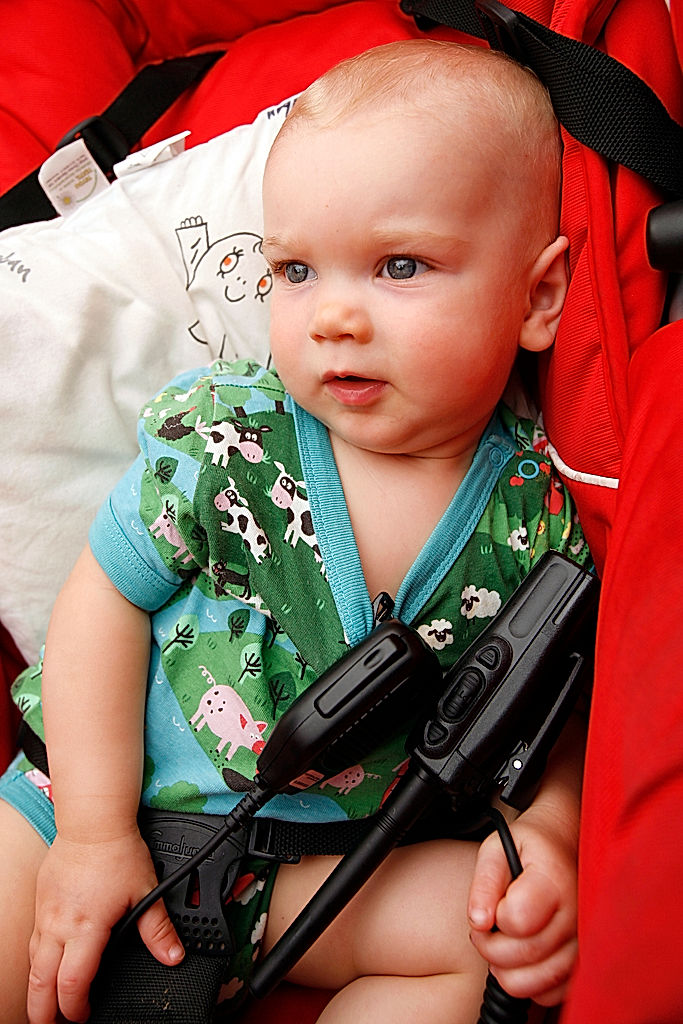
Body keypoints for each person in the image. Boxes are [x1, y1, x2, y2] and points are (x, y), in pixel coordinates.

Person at [0, 39, 591, 1024]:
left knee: (485, 942)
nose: (333, 318)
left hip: (316, 877)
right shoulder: (226, 427)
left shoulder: (533, 519)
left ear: (536, 297)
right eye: (296, 271)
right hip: (86, 812)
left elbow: (555, 715)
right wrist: (95, 835)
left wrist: (556, 831)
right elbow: (103, 597)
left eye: (399, 266)